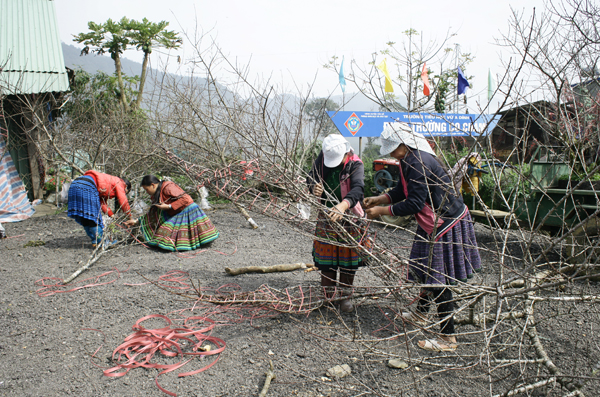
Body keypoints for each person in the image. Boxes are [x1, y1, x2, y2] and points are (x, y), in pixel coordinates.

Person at [364, 122, 481, 352]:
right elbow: (403, 191)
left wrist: (381, 212)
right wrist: (380, 199)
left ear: (403, 144)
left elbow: (414, 203)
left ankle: (448, 339)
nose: (390, 153)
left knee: (439, 280)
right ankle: (420, 314)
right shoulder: (409, 159)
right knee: (425, 269)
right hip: (433, 222)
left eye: (392, 148)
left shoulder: (418, 163)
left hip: (445, 223)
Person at [307, 134, 367, 312]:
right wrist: (313, 185)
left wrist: (342, 205)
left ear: (347, 153)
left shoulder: (356, 164)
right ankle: (328, 296)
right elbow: (311, 176)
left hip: (349, 218)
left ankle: (344, 297)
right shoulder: (324, 156)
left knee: (348, 259)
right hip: (326, 216)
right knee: (327, 260)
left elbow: (358, 188)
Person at [124, 175, 219, 251]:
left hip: (188, 210)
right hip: (178, 212)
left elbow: (186, 199)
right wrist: (136, 221)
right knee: (161, 237)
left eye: (146, 189)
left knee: (165, 237)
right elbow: (153, 214)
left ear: (153, 185)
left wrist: (169, 206)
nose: (146, 192)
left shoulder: (168, 187)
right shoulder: (156, 194)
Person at [67, 170, 132, 246]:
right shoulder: (120, 182)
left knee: (85, 216)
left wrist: (111, 215)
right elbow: (123, 201)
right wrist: (129, 217)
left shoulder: (108, 182)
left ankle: (95, 241)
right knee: (94, 217)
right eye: (125, 192)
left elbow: (102, 203)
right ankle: (102, 242)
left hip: (75, 184)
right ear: (126, 187)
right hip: (87, 186)